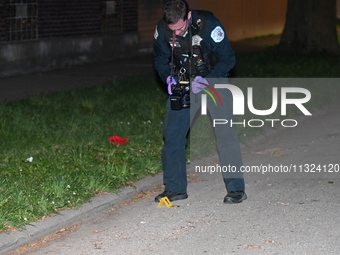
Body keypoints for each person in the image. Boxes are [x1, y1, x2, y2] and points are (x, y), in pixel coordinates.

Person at [153, 0, 247, 204]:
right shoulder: (162, 30)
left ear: (187, 16)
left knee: (225, 133)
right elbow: (160, 58)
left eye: (179, 28)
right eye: (172, 30)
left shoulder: (208, 25)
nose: (175, 34)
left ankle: (236, 189)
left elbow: (228, 59)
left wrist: (208, 80)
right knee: (172, 137)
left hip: (214, 81)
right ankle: (175, 188)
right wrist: (167, 77)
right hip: (184, 85)